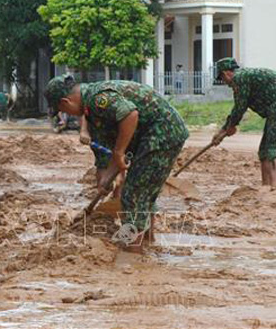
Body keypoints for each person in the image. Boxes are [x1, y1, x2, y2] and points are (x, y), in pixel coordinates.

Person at [45, 75, 189, 254]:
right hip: (155, 135)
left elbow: (130, 114)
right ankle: (148, 242)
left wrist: (120, 152)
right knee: (144, 192)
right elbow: (105, 157)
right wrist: (105, 180)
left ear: (66, 102)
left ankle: (133, 253)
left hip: (162, 132)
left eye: (62, 110)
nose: (68, 115)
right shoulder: (91, 111)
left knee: (134, 193)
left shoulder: (98, 99)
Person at [213, 58, 276, 190]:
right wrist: (226, 129)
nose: (226, 84)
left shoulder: (240, 79)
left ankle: (274, 187)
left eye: (223, 79)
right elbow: (240, 107)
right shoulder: (244, 77)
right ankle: (266, 187)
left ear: (226, 73)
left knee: (274, 147)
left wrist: (226, 129)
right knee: (264, 150)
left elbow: (240, 107)